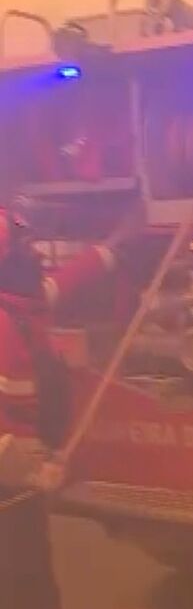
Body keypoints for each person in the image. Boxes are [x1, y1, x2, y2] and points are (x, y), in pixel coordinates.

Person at [0, 202, 135, 609]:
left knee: (31, 575)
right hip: (9, 484)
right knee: (24, 584)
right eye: (25, 248)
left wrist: (115, 245)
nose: (38, 253)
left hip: (21, 481)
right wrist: (16, 458)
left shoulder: (23, 302)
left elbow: (66, 280)